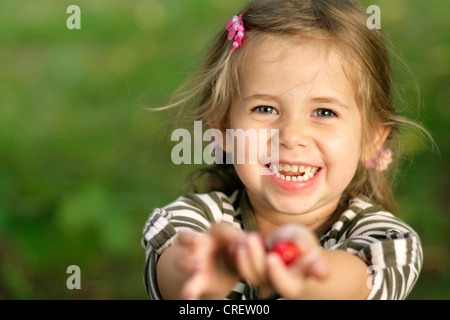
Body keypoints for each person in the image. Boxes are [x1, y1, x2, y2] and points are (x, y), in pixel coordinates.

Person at [142, 0, 425, 300]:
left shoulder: (383, 238)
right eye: (265, 108)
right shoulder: (197, 220)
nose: (291, 136)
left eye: (325, 112)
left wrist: (307, 274)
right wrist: (211, 268)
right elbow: (174, 273)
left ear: (371, 138)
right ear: (223, 130)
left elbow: (356, 283)